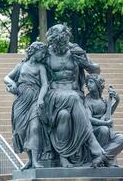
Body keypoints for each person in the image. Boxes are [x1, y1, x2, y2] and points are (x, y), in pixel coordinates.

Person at [44, 24, 108, 167]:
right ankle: (93, 144)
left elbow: (96, 69)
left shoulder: (74, 50)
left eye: (65, 41)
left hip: (75, 96)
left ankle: (63, 157)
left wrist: (84, 62)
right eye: (59, 42)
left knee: (64, 115)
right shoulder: (46, 54)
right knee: (72, 98)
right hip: (54, 96)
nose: (63, 45)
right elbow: (28, 67)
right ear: (52, 40)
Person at [4, 41, 50, 170]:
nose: (43, 56)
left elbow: (45, 84)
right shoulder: (21, 66)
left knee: (35, 128)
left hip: (35, 99)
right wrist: (12, 84)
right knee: (21, 131)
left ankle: (35, 161)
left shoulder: (41, 67)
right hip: (21, 101)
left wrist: (41, 99)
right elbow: (6, 77)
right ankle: (30, 160)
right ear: (34, 51)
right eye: (42, 53)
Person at [84, 74, 123, 166]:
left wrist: (117, 101)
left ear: (98, 84)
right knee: (104, 129)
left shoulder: (103, 100)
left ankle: (101, 157)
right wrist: (105, 123)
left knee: (121, 138)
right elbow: (89, 118)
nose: (88, 84)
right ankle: (99, 155)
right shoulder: (87, 100)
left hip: (105, 128)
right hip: (92, 131)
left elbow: (108, 113)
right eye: (87, 83)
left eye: (91, 82)